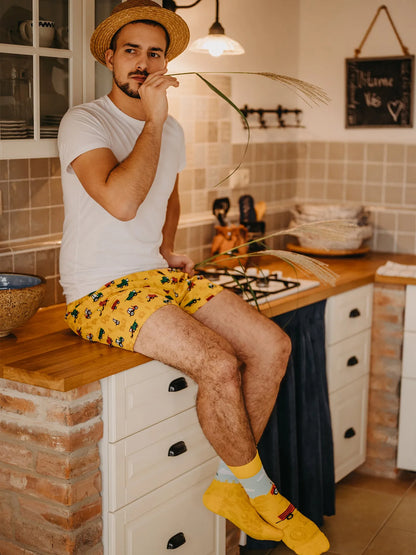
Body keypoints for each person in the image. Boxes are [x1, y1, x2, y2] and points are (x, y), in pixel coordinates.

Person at [58, 1, 330, 553]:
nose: (143, 63)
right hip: (98, 290)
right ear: (110, 58)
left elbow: (169, 196)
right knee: (219, 363)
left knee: (272, 346)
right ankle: (261, 492)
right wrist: (154, 121)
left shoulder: (174, 130)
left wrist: (166, 249)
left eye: (154, 53)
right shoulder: (83, 122)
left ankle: (229, 484)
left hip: (156, 276)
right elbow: (122, 202)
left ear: (166, 63)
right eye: (131, 51)